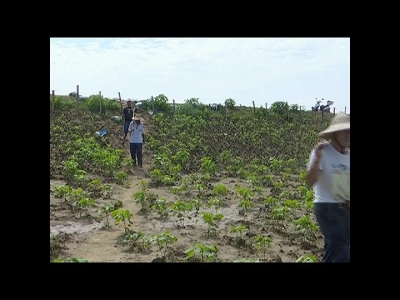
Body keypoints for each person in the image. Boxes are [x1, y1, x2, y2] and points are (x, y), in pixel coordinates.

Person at [305, 112, 350, 262]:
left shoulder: (349, 156)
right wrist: (316, 161)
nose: (348, 135)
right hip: (328, 207)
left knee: (335, 251)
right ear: (335, 133)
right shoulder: (322, 152)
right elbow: (310, 181)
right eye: (344, 131)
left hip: (347, 209)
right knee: (340, 253)